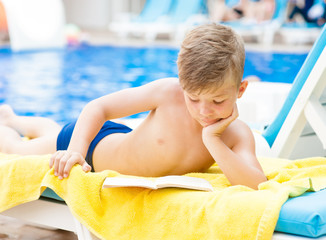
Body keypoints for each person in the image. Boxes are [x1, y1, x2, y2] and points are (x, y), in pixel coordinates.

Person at [0, 23, 267, 190]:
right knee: (17, 149)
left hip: (117, 137)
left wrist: (213, 140)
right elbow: (97, 108)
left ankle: (15, 118)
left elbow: (257, 185)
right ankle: (10, 122)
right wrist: (75, 151)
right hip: (95, 147)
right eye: (193, 98)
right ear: (182, 85)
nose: (204, 111)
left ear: (240, 90)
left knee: (51, 132)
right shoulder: (168, 93)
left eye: (217, 101)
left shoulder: (236, 136)